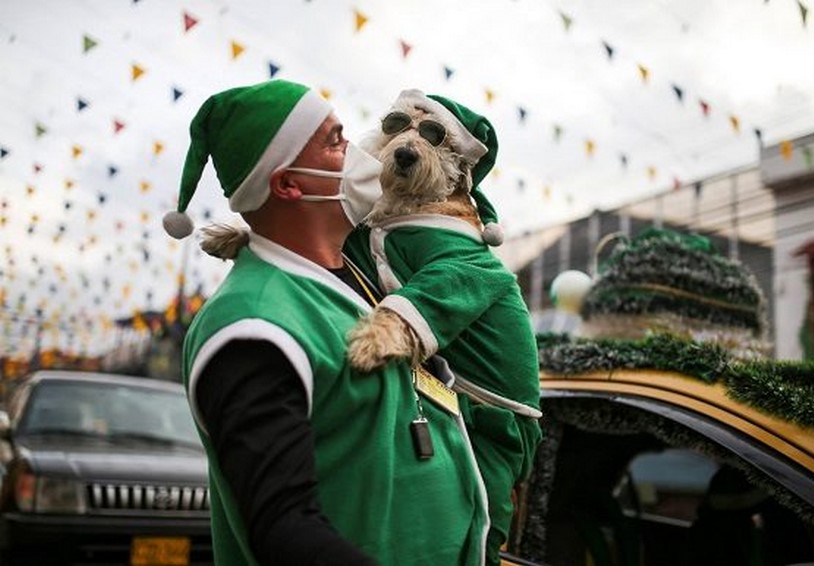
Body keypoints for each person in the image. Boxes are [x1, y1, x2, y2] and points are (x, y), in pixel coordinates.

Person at [162, 79, 489, 565]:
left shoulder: (352, 276)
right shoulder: (254, 325)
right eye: (336, 142)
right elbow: (285, 528)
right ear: (290, 184)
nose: (364, 151)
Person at [344, 91, 541, 565]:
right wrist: (259, 235)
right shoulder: (385, 223)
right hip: (442, 401)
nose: (409, 145)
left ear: (457, 170)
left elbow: (457, 278)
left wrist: (393, 325)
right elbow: (333, 247)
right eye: (398, 127)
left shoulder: (456, 241)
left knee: (476, 530)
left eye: (432, 136)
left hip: (497, 414)